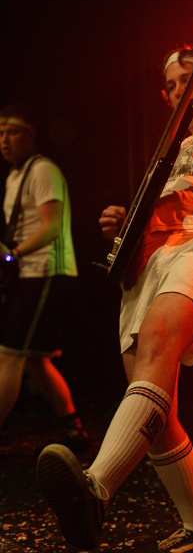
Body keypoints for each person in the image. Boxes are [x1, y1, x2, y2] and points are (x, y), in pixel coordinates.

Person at [37, 0, 193, 552]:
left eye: (187, 77)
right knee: (155, 402)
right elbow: (150, 222)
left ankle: (95, 489)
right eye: (168, 85)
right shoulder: (166, 158)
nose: (174, 90)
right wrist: (124, 225)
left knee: (159, 348)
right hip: (149, 267)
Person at [0, 104, 89, 450]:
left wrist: (12, 254)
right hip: (30, 274)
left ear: (31, 135)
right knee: (36, 359)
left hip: (48, 272)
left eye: (12, 131)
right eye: (1, 132)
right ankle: (74, 427)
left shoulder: (42, 170)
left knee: (10, 354)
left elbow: (52, 227)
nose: (5, 139)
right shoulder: (14, 177)